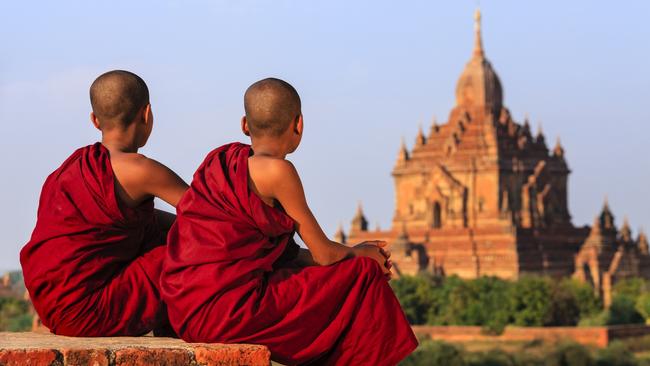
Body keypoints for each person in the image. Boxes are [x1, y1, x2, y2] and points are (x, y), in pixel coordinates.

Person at [161, 78, 417, 365]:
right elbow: (324, 254)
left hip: (186, 310)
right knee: (363, 274)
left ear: (245, 125)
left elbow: (283, 254)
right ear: (299, 125)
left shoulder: (220, 161)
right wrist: (363, 252)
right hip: (229, 312)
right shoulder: (280, 171)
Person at [20, 70, 188, 336]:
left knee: (168, 233)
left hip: (53, 308)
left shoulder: (70, 170)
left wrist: (179, 226)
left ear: (95, 120)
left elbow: (135, 220)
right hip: (89, 310)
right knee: (196, 251)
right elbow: (208, 215)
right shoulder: (141, 170)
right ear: (148, 114)